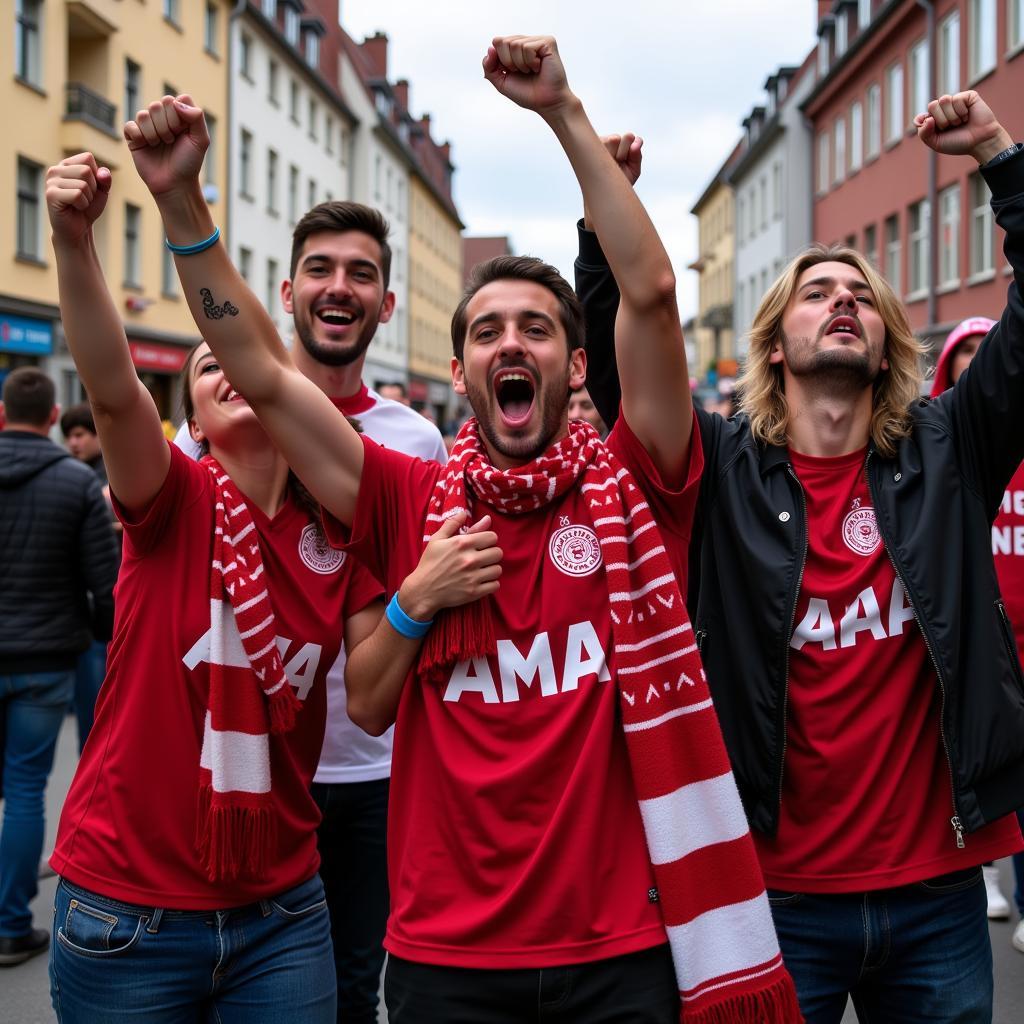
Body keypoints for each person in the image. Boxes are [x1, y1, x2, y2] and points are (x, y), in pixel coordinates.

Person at [125, 36, 801, 1024]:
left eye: (537, 328)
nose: (511, 343)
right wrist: (184, 206)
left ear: (576, 368)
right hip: (448, 948)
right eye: (487, 330)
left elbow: (650, 294)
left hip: (618, 944)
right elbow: (263, 375)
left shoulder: (631, 476)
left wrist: (564, 112)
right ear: (461, 372)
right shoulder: (405, 496)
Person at [577, 90, 1024, 1023]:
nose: (845, 303)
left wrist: (997, 155)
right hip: (769, 894)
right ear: (775, 347)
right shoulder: (721, 471)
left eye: (862, 294)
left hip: (938, 894)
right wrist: (601, 219)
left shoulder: (951, 449)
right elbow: (630, 366)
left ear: (888, 339)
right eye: (819, 294)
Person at [43, 151, 492, 1022]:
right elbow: (108, 387)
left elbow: (369, 698)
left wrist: (418, 596)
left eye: (240, 364)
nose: (227, 372)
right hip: (126, 907)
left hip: (282, 908)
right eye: (206, 371)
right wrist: (72, 241)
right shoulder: (169, 498)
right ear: (194, 420)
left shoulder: (340, 531)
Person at [0, 369, 118, 968]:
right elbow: (106, 584)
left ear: (2, 413)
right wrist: (94, 640)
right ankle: (9, 925)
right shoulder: (75, 483)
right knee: (25, 789)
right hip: (46, 661)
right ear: (52, 416)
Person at [931, 316, 1024, 949]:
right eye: (963, 351)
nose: (974, 360)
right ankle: (987, 871)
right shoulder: (944, 448)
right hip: (984, 643)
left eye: (983, 350)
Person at [60, 402, 119, 751]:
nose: (73, 442)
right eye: (69, 435)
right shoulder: (76, 474)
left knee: (96, 703)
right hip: (84, 608)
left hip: (104, 607)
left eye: (80, 434)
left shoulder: (111, 475)